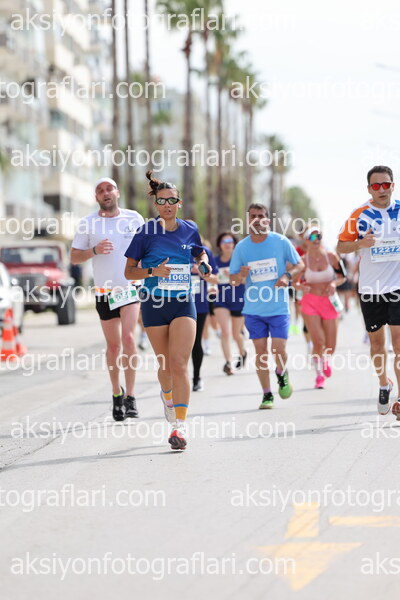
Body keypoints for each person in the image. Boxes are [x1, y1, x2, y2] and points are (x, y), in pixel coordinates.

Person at [124, 171, 211, 450]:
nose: (167, 205)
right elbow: (129, 272)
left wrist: (204, 262)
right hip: (154, 303)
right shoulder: (146, 232)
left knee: (180, 362)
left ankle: (180, 427)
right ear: (156, 204)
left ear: (179, 203)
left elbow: (199, 252)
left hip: (183, 302)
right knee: (165, 365)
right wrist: (153, 271)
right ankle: (168, 398)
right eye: (162, 201)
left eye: (172, 200)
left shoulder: (190, 229)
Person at [71, 177, 144, 421]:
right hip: (104, 292)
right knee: (113, 346)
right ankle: (116, 393)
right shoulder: (88, 223)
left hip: (129, 288)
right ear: (96, 197)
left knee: (129, 338)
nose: (106, 193)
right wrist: (94, 250)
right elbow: (74, 257)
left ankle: (131, 396)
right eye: (100, 190)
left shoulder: (134, 218)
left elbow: (147, 248)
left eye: (109, 188)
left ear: (117, 192)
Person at [337, 165, 400, 417]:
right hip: (371, 289)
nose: (382, 189)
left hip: (398, 286)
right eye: (376, 185)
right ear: (369, 189)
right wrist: (360, 243)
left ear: (393, 185)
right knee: (377, 344)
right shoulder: (359, 215)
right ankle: (384, 383)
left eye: (386, 184)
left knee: (399, 344)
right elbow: (341, 247)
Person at [230, 203, 304, 409]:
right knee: (261, 352)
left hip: (278, 308)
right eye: (253, 216)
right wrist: (240, 276)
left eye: (261, 216)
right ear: (248, 220)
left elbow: (300, 264)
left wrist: (287, 275)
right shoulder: (241, 247)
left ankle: (281, 372)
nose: (257, 220)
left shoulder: (280, 241)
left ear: (267, 220)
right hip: (253, 310)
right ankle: (267, 394)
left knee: (278, 349)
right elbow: (233, 280)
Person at [294, 225, 346, 389]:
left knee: (330, 345)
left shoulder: (331, 257)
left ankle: (325, 359)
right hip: (310, 302)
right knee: (318, 341)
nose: (316, 240)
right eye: (312, 237)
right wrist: (301, 287)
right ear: (306, 240)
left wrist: (333, 283)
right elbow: (294, 282)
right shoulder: (302, 261)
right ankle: (319, 376)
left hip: (329, 302)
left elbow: (342, 276)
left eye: (319, 236)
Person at [214, 232, 247, 376]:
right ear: (219, 245)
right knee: (225, 332)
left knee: (236, 334)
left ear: (234, 244)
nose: (227, 244)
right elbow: (209, 278)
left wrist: (234, 276)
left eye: (229, 241)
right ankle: (228, 363)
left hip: (238, 299)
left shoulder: (240, 260)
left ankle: (243, 352)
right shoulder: (215, 261)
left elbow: (246, 280)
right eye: (224, 241)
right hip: (221, 299)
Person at [191, 240, 219, 391]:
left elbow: (216, 279)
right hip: (173, 302)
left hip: (199, 304)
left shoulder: (204, 252)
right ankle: (174, 380)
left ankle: (196, 378)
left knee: (196, 343)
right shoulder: (169, 249)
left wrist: (203, 273)